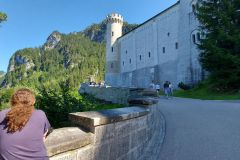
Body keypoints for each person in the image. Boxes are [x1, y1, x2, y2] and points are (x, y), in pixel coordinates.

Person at [0, 88, 51, 160]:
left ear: (12, 102)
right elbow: (45, 133)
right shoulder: (40, 114)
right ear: (33, 101)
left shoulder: (2, 114)